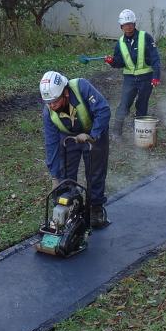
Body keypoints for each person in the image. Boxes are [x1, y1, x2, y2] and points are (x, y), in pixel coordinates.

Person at [40, 71, 111, 229]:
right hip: (68, 138)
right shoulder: (48, 112)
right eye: (48, 102)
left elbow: (103, 110)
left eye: (55, 102)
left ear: (65, 92)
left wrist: (92, 135)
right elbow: (51, 144)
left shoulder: (81, 87)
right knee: (65, 176)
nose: (52, 106)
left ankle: (96, 209)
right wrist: (54, 176)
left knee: (95, 173)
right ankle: (70, 208)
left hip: (94, 133)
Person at [102, 8, 161, 136]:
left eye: (130, 24)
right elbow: (119, 62)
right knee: (124, 103)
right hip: (129, 79)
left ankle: (139, 132)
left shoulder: (145, 37)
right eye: (125, 25)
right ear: (121, 26)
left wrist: (156, 76)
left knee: (142, 104)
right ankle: (116, 132)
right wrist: (111, 61)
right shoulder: (120, 43)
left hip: (146, 77)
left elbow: (155, 57)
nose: (128, 27)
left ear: (134, 24)